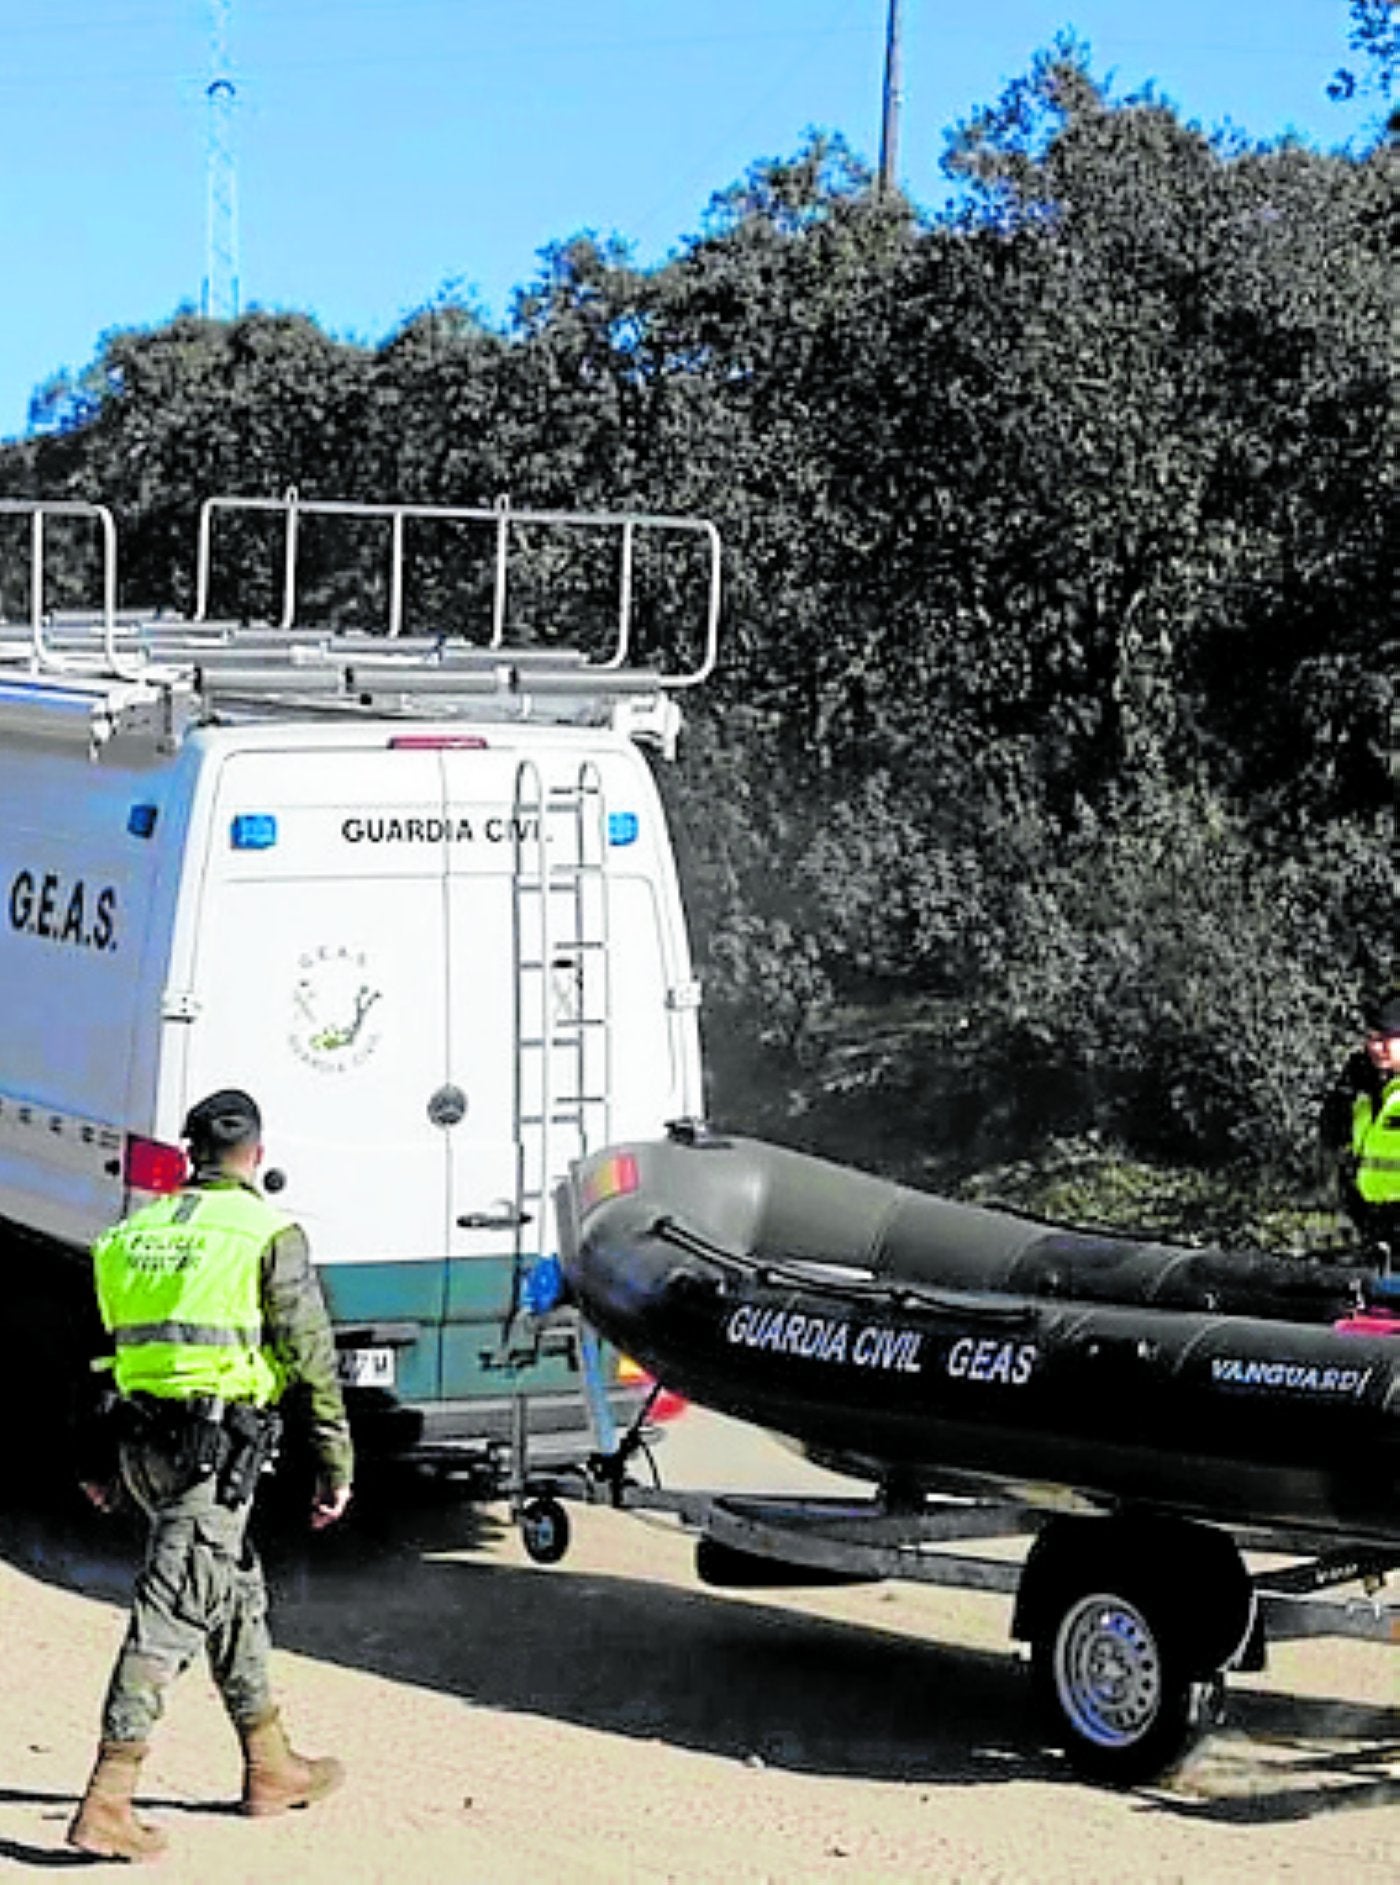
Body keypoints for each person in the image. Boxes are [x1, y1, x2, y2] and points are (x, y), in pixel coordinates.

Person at [67, 1088, 355, 1863]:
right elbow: (310, 1356)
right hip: (212, 1450)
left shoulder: (131, 1233)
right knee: (171, 1610)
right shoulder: (268, 1231)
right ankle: (108, 1797)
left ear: (189, 1155)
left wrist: (97, 1462)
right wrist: (336, 1462)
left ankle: (272, 1764)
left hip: (142, 1450)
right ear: (255, 1155)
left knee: (230, 1589)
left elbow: (105, 1353)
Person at [1320, 993, 1400, 1265]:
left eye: (1385, 1039)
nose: (1376, 1048)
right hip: (1372, 1220)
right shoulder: (1363, 1087)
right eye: (1372, 1038)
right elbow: (1335, 1140)